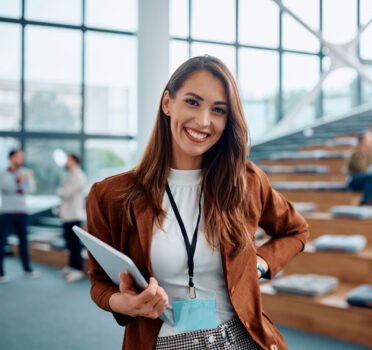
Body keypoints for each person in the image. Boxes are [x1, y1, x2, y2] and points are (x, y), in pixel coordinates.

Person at [86, 56, 309, 350]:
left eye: (218, 110)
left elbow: (297, 230)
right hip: (166, 343)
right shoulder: (111, 195)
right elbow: (100, 283)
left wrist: (260, 262)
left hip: (241, 340)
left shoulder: (246, 182)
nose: (204, 121)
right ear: (167, 103)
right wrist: (125, 303)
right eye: (193, 102)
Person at [0, 149, 38, 283]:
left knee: (24, 242)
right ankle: (1, 273)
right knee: (2, 242)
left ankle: (27, 269)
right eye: (19, 157)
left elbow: (30, 189)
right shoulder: (3, 173)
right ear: (11, 158)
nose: (22, 159)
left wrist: (21, 182)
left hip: (22, 212)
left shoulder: (25, 172)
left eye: (22, 157)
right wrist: (20, 180)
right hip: (7, 212)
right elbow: (5, 187)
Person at [57, 153, 87, 282]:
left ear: (74, 161)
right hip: (66, 215)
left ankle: (78, 270)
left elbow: (65, 193)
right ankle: (71, 267)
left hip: (75, 215)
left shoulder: (79, 176)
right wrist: (61, 191)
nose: (65, 162)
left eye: (68, 159)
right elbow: (63, 192)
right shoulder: (68, 175)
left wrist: (60, 191)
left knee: (75, 245)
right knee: (69, 243)